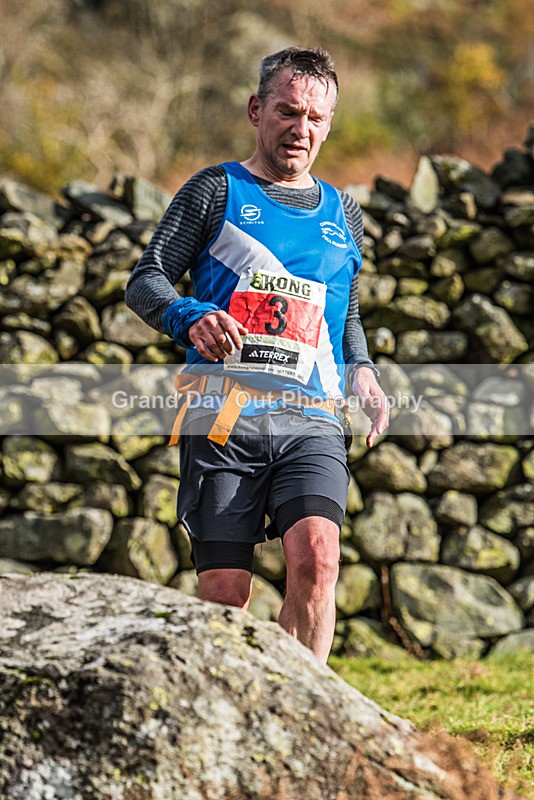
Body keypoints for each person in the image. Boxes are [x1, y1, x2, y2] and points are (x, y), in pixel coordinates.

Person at [125, 46, 389, 663]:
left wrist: (364, 373)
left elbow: (342, 312)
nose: (302, 129)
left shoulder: (341, 211)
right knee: (223, 593)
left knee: (319, 559)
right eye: (288, 111)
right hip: (223, 415)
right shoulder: (215, 190)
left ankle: (305, 721)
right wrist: (192, 318)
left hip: (314, 417)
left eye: (316, 118)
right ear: (256, 109)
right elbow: (146, 278)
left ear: (328, 124)